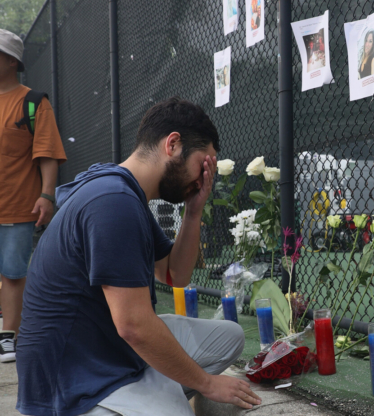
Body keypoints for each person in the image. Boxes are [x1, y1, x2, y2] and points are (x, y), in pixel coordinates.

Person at [16, 98, 261, 415]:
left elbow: (174, 275)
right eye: (203, 163)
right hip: (74, 380)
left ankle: (154, 387)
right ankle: (148, 395)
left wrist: (193, 211)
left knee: (229, 336)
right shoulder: (112, 202)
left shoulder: (124, 192)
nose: (203, 177)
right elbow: (133, 326)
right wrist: (207, 384)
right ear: (173, 144)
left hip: (110, 351)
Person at [0, 29, 67, 363]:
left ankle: (7, 336)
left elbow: (47, 153)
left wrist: (47, 195)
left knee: (12, 272)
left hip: (16, 205)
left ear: (11, 61)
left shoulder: (33, 102)